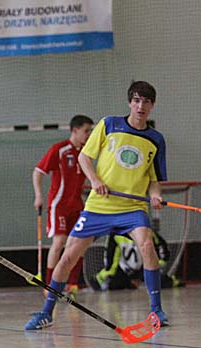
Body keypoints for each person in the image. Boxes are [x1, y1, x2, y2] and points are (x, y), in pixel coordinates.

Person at [25, 81, 170, 330]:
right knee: (68, 256)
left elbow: (154, 179)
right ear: (129, 103)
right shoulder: (109, 124)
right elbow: (84, 157)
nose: (141, 106)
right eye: (136, 100)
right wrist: (95, 181)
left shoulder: (156, 139)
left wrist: (155, 196)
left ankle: (156, 311)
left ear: (152, 106)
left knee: (147, 245)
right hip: (99, 207)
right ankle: (47, 311)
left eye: (146, 102)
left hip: (132, 208)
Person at [33, 115, 94, 298]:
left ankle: (72, 284)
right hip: (58, 205)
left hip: (77, 206)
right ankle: (50, 285)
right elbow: (38, 172)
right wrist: (38, 195)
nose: (89, 135)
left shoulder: (85, 153)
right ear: (75, 130)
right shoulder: (59, 149)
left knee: (78, 244)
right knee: (59, 242)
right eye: (86, 131)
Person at [96, 229, 185, 290]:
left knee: (159, 282)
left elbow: (162, 246)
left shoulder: (146, 230)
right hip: (125, 270)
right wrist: (109, 271)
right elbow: (111, 254)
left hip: (144, 268)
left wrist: (160, 263)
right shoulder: (115, 234)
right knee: (114, 284)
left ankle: (172, 280)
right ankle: (130, 283)